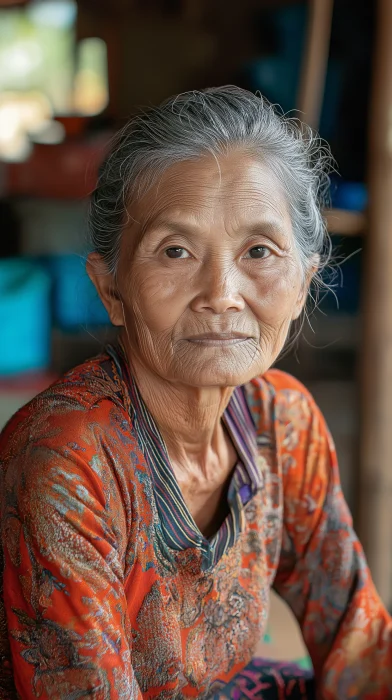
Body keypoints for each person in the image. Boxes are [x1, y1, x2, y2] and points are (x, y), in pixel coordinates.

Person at [0, 87, 391, 700]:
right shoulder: (68, 459)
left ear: (302, 283)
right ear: (112, 289)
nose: (222, 293)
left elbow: (356, 644)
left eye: (259, 251)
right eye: (175, 251)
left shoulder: (281, 422)